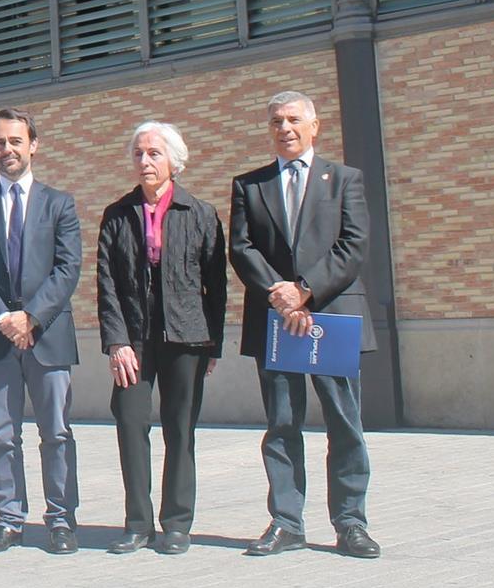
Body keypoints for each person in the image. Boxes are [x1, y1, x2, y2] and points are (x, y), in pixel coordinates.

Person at [229, 90, 380, 560]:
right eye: (276, 121)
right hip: (276, 321)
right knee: (281, 424)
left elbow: (354, 245)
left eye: (294, 119)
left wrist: (306, 289)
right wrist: (281, 293)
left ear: (314, 126)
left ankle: (350, 523)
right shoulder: (249, 185)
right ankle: (287, 523)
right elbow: (242, 247)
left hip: (330, 318)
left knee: (345, 423)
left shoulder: (345, 179)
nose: (285, 128)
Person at [0, 107, 84, 555]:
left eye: (15, 141)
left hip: (48, 336)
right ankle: (9, 519)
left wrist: (32, 317)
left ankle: (61, 520)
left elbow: (68, 269)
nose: (7, 150)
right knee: (2, 434)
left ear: (33, 145)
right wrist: (4, 318)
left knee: (57, 432)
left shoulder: (59, 203)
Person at [96, 121, 226, 556]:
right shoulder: (117, 214)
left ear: (173, 160)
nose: (145, 161)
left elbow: (216, 285)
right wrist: (117, 342)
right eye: (138, 154)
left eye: (153, 153)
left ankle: (176, 523)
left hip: (187, 338)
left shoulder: (200, 213)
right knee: (131, 422)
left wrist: (214, 345)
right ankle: (137, 522)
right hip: (134, 339)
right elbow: (107, 283)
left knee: (180, 428)